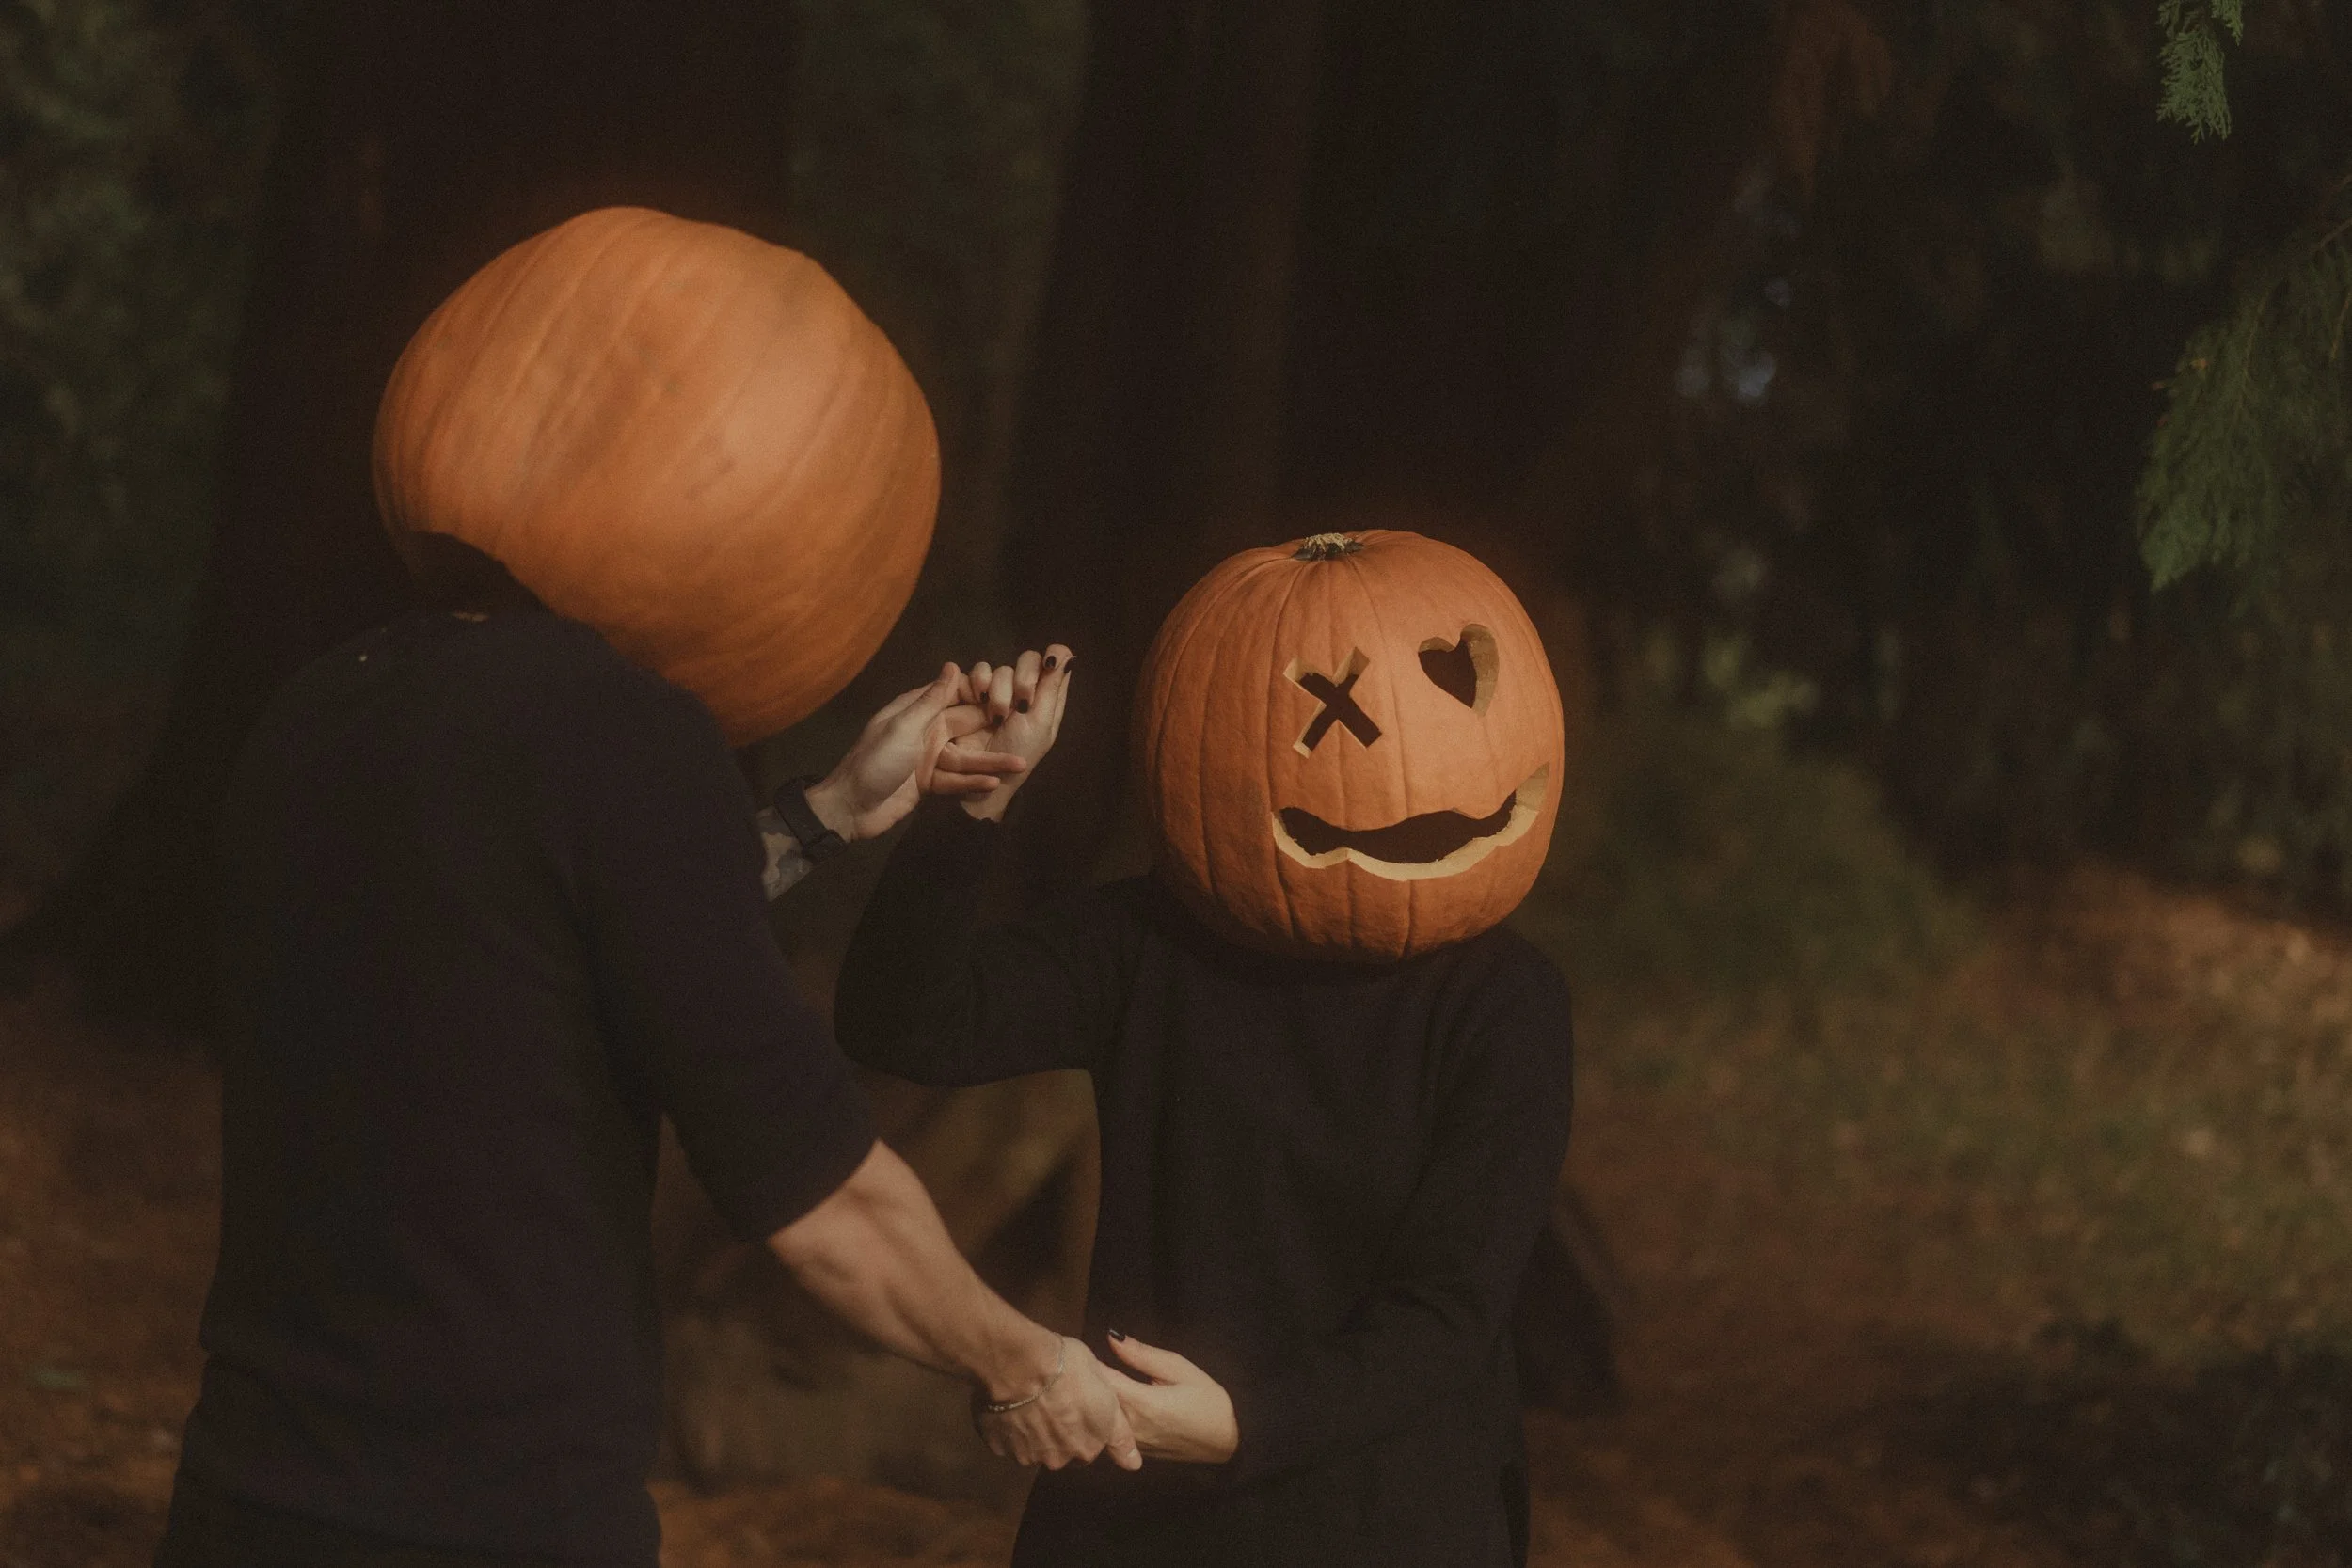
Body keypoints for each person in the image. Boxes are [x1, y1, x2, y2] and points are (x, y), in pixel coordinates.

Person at [154, 557, 1138, 1568]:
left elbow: (555, 926)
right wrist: (1025, 1364)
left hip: (246, 1496)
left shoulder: (327, 696)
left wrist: (829, 810)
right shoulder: (623, 727)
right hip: (486, 1522)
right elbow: (819, 1199)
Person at [836, 637, 1577, 1567]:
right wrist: (974, 798)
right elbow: (903, 1023)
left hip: (1388, 1512)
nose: (1360, 761)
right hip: (1138, 1503)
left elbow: (1448, 1312)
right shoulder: (1152, 937)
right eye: (1316, 716)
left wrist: (1239, 1422)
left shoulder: (1503, 1001)